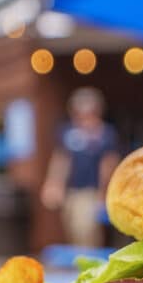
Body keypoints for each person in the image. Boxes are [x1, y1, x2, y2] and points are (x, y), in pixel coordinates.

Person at [41, 88, 119, 247]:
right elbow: (61, 159)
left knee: (85, 231)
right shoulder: (67, 131)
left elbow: (109, 164)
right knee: (72, 230)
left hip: (91, 192)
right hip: (71, 191)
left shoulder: (105, 133)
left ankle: (90, 266)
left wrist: (103, 194)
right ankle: (79, 267)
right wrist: (53, 183)